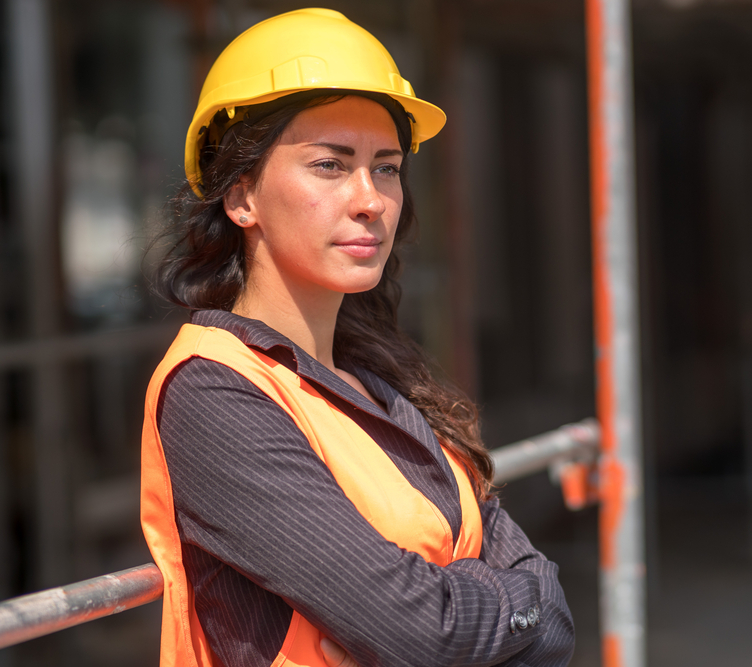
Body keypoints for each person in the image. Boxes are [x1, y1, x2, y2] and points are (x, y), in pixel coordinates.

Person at [140, 8, 574, 667]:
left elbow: (553, 616)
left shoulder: (381, 382)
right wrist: (506, 605)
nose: (370, 200)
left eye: (387, 168)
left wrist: (488, 606)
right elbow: (421, 631)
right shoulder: (214, 391)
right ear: (242, 197)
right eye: (329, 165)